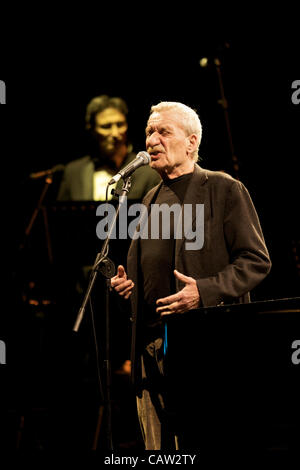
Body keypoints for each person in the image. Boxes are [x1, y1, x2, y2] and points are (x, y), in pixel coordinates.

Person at [110, 101, 271, 451]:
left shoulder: (224, 189)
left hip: (205, 349)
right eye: (149, 132)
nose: (152, 139)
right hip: (150, 350)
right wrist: (129, 289)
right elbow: (152, 274)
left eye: (163, 132)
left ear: (191, 143)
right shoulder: (149, 199)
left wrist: (205, 291)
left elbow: (256, 261)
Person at [57, 95, 160, 201]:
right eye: (106, 127)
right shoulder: (73, 172)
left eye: (120, 125)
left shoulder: (149, 172)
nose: (115, 133)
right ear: (92, 129)